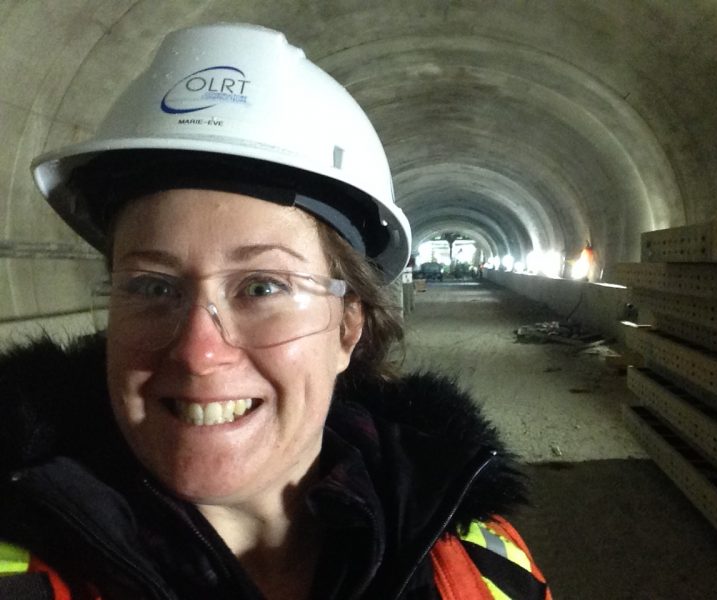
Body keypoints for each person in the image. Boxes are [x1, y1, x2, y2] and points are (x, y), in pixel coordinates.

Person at [0, 23, 551, 599]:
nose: (197, 352)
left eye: (262, 287)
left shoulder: (482, 569)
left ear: (348, 326)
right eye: (154, 288)